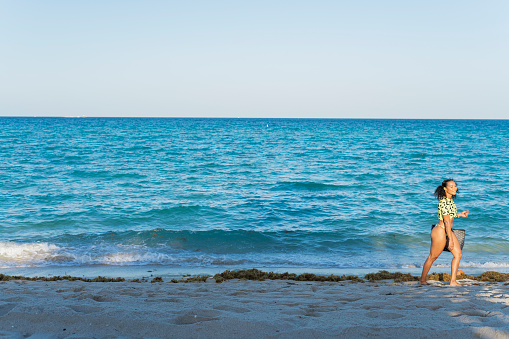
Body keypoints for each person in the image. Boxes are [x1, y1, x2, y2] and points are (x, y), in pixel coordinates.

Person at [419, 179, 469, 286]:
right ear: (445, 189)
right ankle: (422, 280)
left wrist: (460, 214)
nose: (454, 188)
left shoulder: (450, 201)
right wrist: (450, 240)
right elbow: (446, 221)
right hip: (441, 231)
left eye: (455, 186)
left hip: (447, 230)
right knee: (432, 257)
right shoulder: (444, 201)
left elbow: (450, 215)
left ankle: (453, 281)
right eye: (451, 186)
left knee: (458, 254)